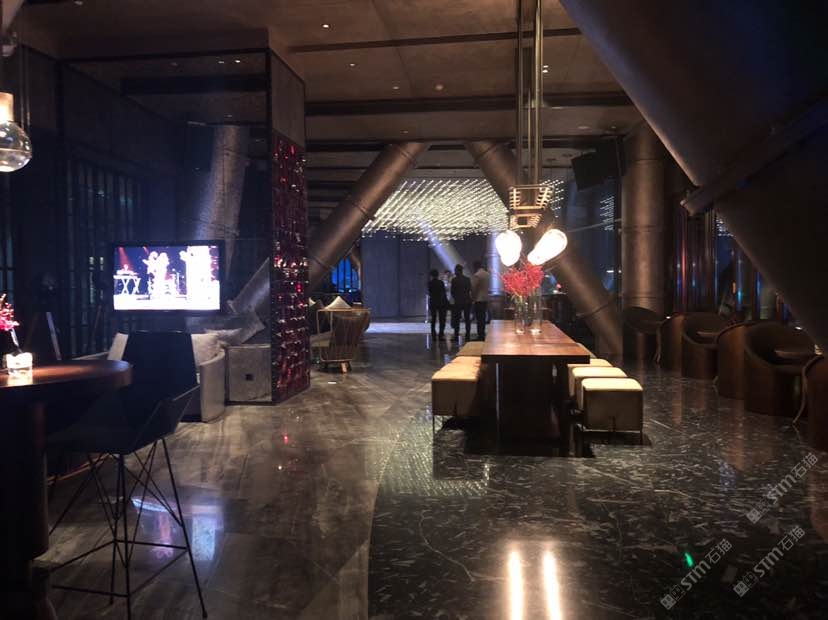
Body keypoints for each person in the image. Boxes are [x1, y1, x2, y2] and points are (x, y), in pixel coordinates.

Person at [450, 264, 472, 341]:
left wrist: (456, 298)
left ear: (457, 271)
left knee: (457, 319)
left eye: (455, 270)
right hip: (466, 301)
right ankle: (467, 336)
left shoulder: (454, 280)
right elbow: (469, 290)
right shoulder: (467, 279)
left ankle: (456, 336)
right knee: (467, 319)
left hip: (458, 302)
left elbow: (452, 292)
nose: (454, 272)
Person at [470, 260, 491, 340]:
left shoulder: (477, 275)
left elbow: (473, 288)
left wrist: (472, 297)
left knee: (479, 319)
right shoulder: (487, 274)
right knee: (483, 317)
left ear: (475, 267)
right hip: (486, 298)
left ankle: (480, 335)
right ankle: (482, 334)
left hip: (478, 299)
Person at [427, 269, 448, 339]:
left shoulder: (430, 283)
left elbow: (429, 292)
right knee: (442, 319)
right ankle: (441, 334)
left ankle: (433, 335)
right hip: (440, 302)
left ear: (431, 275)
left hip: (433, 302)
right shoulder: (441, 282)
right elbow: (443, 292)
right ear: (437, 275)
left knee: (433, 319)